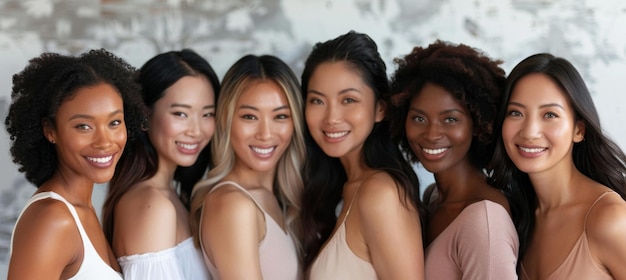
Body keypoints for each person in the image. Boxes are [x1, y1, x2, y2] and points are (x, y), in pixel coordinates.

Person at [6, 49, 148, 280]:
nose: (105, 142)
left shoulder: (84, 210)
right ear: (50, 130)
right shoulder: (52, 219)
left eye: (114, 122)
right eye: (84, 126)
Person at [386, 40, 519, 279]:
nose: (432, 134)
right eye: (418, 118)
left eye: (450, 119)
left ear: (478, 124)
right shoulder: (432, 198)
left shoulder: (486, 220)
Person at [489, 53, 626, 279]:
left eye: (550, 114)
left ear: (579, 130)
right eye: (516, 113)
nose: (530, 131)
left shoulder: (610, 219)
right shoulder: (516, 219)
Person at [300, 31, 424, 280]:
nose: (332, 118)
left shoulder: (380, 194)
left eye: (348, 100)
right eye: (317, 101)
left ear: (380, 108)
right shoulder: (342, 187)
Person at [102, 49, 220, 279]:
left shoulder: (171, 196)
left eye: (207, 114)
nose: (196, 130)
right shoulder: (152, 205)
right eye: (180, 114)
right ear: (144, 118)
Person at [189, 54, 305, 280]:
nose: (266, 134)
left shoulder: (279, 199)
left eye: (280, 116)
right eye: (250, 117)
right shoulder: (233, 204)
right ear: (226, 120)